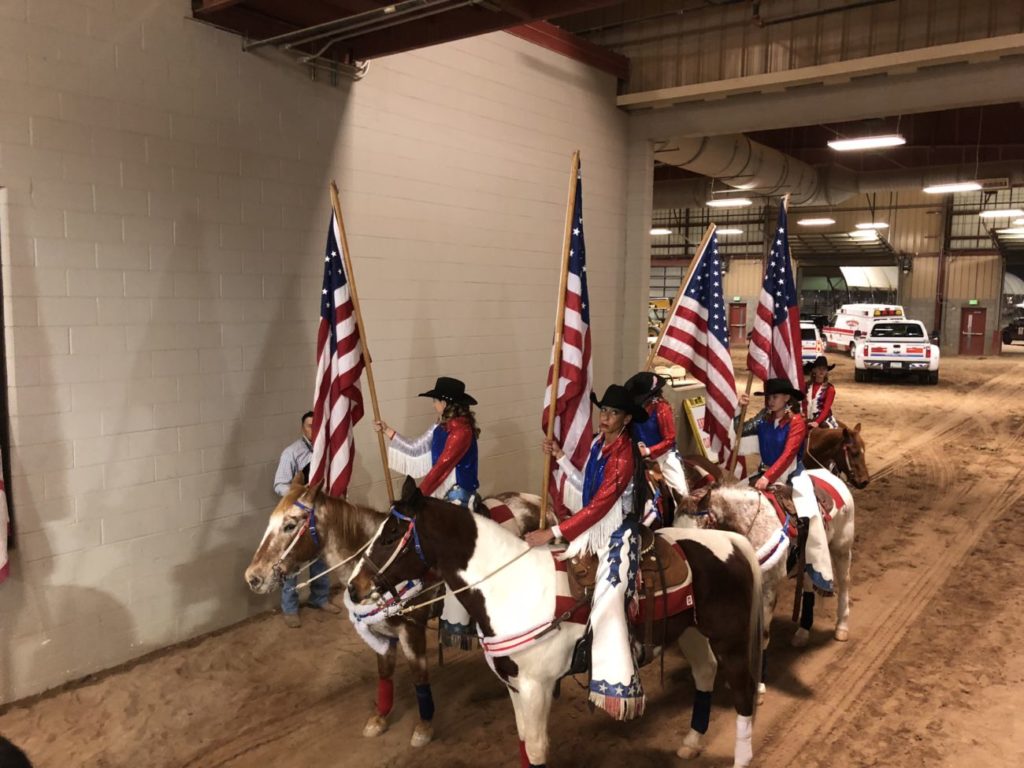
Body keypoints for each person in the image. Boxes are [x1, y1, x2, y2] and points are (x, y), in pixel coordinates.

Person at [527, 384, 649, 721]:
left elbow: (600, 505)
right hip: (594, 529)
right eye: (603, 411)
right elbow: (586, 486)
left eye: (612, 413)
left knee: (610, 595)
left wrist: (552, 531)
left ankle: (617, 679)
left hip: (619, 532)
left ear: (626, 420)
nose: (605, 417)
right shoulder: (599, 445)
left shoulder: (624, 455)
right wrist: (561, 457)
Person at [374, 376, 481, 645]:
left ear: (446, 403)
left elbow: (442, 467)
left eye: (436, 399)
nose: (434, 404)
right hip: (438, 491)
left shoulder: (461, 432)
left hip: (458, 494)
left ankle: (459, 617)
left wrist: (418, 496)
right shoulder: (440, 427)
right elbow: (417, 447)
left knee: (450, 550)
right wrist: (388, 431)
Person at [738, 379, 834, 596]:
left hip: (792, 475)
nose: (770, 401)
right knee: (735, 495)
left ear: (786, 399)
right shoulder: (763, 419)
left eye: (774, 397)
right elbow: (740, 432)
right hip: (765, 473)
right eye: (768, 397)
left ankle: (818, 569)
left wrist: (769, 477)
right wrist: (739, 409)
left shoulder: (797, 422)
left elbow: (789, 453)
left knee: (811, 515)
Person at [273, 411, 341, 629]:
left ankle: (319, 597)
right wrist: (299, 494)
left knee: (321, 557)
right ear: (303, 427)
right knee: (292, 562)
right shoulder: (291, 453)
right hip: (298, 517)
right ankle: (290, 608)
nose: (313, 430)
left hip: (320, 513)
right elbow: (279, 484)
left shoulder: (327, 452)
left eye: (317, 426)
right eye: (310, 426)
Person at [624, 371, 688, 524]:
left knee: (682, 492)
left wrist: (648, 451)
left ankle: (683, 521)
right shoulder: (633, 409)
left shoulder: (661, 408)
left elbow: (669, 439)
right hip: (635, 455)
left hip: (663, 456)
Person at [803, 356, 839, 429]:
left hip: (823, 419)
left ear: (826, 372)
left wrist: (817, 422)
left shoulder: (830, 389)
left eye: (824, 369)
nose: (822, 371)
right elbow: (803, 404)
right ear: (814, 370)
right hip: (807, 418)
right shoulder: (806, 386)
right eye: (819, 368)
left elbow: (826, 409)